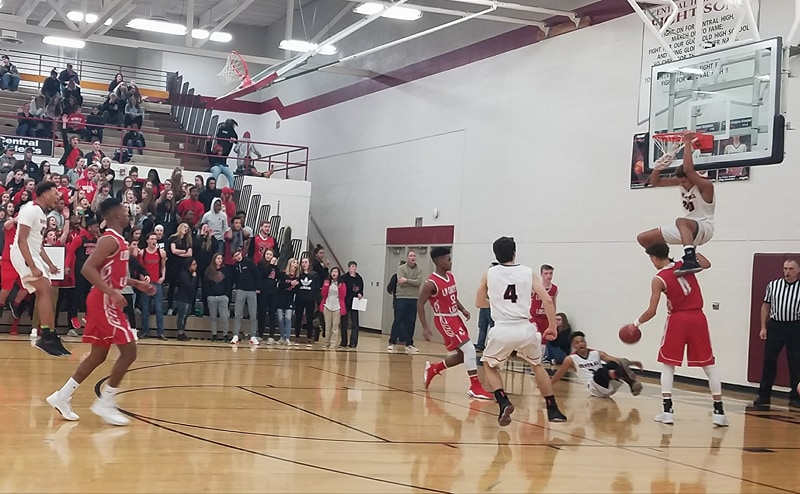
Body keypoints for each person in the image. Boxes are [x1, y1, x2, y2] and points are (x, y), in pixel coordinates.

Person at [46, 197, 156, 426]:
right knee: (129, 352)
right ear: (116, 216)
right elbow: (87, 269)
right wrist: (112, 293)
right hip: (104, 300)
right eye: (125, 211)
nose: (128, 214)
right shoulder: (109, 240)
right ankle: (105, 403)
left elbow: (114, 274)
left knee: (99, 355)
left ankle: (62, 396)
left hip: (105, 298)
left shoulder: (118, 240)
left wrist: (136, 284)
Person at [631, 242, 727, 426]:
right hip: (698, 317)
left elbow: (652, 311)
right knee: (709, 365)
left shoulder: (659, 278)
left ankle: (667, 411)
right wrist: (692, 250)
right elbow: (707, 264)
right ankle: (719, 412)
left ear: (654, 258)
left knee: (668, 364)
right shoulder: (685, 264)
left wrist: (636, 324)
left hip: (678, 320)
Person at [475, 236, 567, 425]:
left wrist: (496, 303)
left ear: (496, 255)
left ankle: (503, 401)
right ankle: (553, 408)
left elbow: (479, 302)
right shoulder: (528, 272)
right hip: (525, 328)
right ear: (514, 253)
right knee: (537, 366)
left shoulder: (489, 274)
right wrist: (551, 326)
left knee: (489, 365)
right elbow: (548, 300)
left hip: (502, 329)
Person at [419, 247, 493, 400]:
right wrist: (425, 327)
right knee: (470, 349)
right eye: (448, 259)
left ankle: (434, 369)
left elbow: (452, 296)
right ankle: (475, 387)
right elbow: (420, 304)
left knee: (461, 356)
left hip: (455, 317)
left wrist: (462, 309)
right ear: (439, 261)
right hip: (444, 319)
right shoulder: (431, 283)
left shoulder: (450, 277)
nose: (450, 262)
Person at [636, 132, 714, 275]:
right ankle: (671, 265)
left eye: (684, 181)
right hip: (687, 230)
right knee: (643, 238)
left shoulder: (705, 186)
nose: (681, 184)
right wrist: (659, 167)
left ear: (693, 178)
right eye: (680, 182)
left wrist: (687, 141)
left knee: (680, 221)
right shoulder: (681, 182)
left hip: (704, 228)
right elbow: (655, 182)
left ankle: (690, 258)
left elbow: (689, 170)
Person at [9, 181, 67, 356]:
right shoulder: (30, 209)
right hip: (22, 253)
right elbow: (21, 240)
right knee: (43, 289)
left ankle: (49, 334)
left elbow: (38, 245)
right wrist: (33, 266)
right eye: (56, 193)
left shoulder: (41, 213)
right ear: (45, 193)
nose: (59, 196)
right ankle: (47, 336)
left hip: (33, 253)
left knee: (47, 291)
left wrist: (50, 265)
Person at [754, 259, 800, 408]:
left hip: (795, 326)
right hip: (776, 325)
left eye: (791, 269)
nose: (787, 272)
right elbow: (765, 306)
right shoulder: (773, 285)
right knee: (769, 361)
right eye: (785, 268)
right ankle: (764, 395)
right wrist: (763, 327)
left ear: (797, 271)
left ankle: (795, 397)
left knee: (795, 362)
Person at [550, 332, 643, 397]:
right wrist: (548, 386)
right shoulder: (570, 359)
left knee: (612, 364)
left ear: (585, 342)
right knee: (600, 371)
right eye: (577, 342)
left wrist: (630, 362)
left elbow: (615, 360)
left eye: (582, 341)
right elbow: (559, 374)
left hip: (608, 383)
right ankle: (620, 373)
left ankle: (632, 384)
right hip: (594, 387)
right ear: (573, 345)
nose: (580, 343)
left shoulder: (597, 353)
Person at [388, 251, 421, 354]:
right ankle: (392, 342)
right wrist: (411, 281)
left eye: (414, 256)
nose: (413, 257)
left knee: (411, 322)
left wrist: (406, 280)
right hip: (401, 298)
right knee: (398, 320)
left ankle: (409, 344)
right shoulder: (401, 268)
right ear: (407, 257)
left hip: (413, 298)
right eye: (411, 256)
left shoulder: (419, 270)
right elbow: (400, 282)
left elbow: (418, 282)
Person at [138, 232, 166, 340]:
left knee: (159, 308)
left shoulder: (161, 252)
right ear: (147, 240)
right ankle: (145, 331)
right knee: (145, 308)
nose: (154, 241)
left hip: (156, 282)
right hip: (146, 283)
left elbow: (163, 266)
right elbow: (140, 267)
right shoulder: (142, 253)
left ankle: (161, 332)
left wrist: (163, 277)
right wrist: (141, 279)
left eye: (155, 239)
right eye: (152, 239)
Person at [320, 267, 347, 350]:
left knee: (334, 327)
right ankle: (326, 343)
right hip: (327, 305)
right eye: (332, 271)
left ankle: (333, 344)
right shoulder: (327, 282)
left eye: (336, 272)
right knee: (327, 326)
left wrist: (340, 288)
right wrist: (325, 286)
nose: (334, 273)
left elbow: (343, 296)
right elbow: (323, 294)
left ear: (338, 273)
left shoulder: (341, 284)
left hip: (337, 307)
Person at [340, 261, 364, 349]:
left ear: (356, 268)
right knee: (344, 323)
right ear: (348, 268)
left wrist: (360, 294)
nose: (352, 268)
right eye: (351, 266)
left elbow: (361, 289)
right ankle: (343, 342)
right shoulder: (344, 278)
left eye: (354, 266)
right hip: (346, 301)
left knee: (355, 323)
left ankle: (353, 343)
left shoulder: (359, 278)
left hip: (355, 302)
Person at [174, 258, 198, 342]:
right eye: (193, 264)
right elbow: (190, 285)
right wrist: (194, 278)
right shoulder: (184, 274)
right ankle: (180, 333)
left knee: (185, 316)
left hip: (189, 298)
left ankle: (182, 332)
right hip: (183, 298)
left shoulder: (190, 274)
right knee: (182, 316)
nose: (196, 266)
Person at [530, 264, 557, 336]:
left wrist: (553, 320)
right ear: (541, 274)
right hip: (534, 317)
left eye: (551, 273)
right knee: (535, 337)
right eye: (546, 273)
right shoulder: (535, 287)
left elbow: (553, 305)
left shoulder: (554, 289)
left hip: (546, 318)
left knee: (544, 341)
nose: (549, 276)